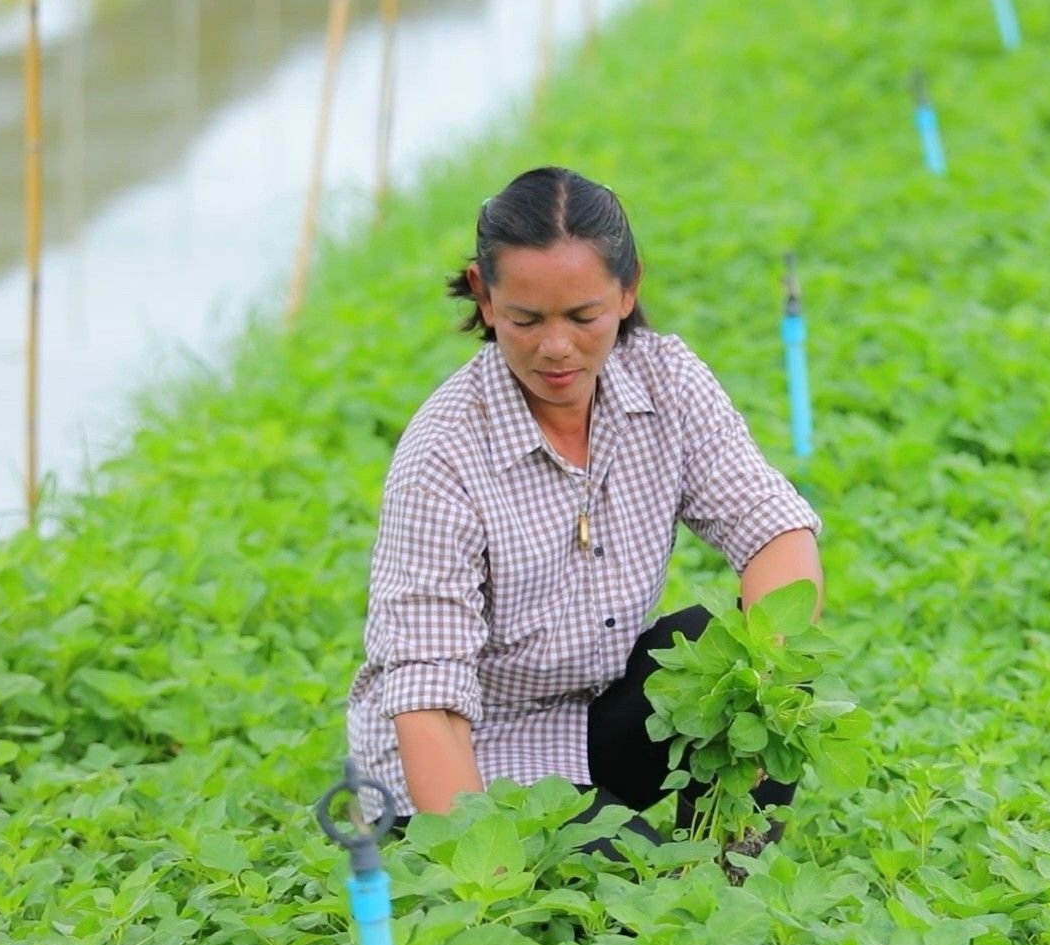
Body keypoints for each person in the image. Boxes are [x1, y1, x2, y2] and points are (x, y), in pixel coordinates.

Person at [343, 166, 824, 857]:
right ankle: (614, 867)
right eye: (526, 319)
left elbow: (773, 529)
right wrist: (482, 866)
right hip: (465, 757)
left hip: (587, 722)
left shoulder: (665, 380)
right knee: (619, 871)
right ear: (483, 298)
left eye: (583, 316)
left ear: (628, 291)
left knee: (735, 646)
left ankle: (733, 885)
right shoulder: (444, 455)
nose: (557, 348)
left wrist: (762, 696)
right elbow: (431, 703)